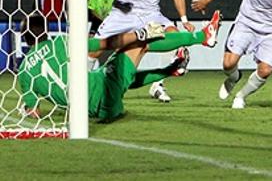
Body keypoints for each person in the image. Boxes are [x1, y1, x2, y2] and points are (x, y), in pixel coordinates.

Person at [18, 10, 221, 121]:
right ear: (45, 30)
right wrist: (139, 35)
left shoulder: (24, 70)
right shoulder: (60, 42)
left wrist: (29, 108)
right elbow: (104, 43)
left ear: (25, 38)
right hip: (105, 96)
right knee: (139, 45)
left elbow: (32, 111)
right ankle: (202, 36)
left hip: (88, 111)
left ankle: (171, 69)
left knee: (116, 73)